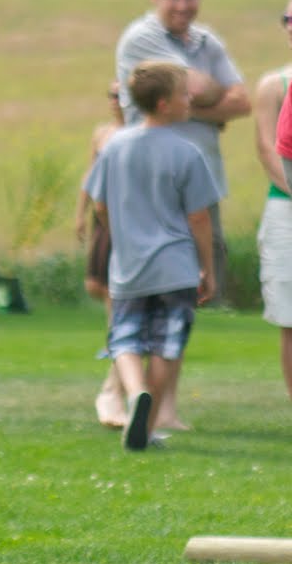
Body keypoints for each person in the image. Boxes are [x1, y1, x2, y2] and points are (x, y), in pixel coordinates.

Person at [85, 61, 218, 451]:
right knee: (166, 346)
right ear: (163, 104)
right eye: (183, 93)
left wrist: (121, 232)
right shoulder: (187, 152)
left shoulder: (115, 147)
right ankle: (147, 423)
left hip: (128, 269)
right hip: (175, 268)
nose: (189, 98)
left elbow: (100, 205)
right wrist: (206, 266)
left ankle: (134, 392)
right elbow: (199, 217)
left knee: (124, 338)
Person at [115, 0, 250, 310]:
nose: (182, 5)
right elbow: (200, 85)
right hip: (154, 182)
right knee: (158, 286)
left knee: (209, 273)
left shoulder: (208, 42)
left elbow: (242, 102)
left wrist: (184, 103)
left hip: (203, 178)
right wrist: (209, 100)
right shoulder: (140, 40)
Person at [74, 80, 126, 428]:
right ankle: (115, 337)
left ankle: (115, 340)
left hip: (123, 213)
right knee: (96, 284)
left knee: (112, 286)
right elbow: (90, 174)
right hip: (101, 214)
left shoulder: (135, 132)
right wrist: (80, 212)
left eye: (120, 95)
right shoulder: (102, 133)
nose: (114, 101)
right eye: (110, 94)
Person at [254, 0, 292, 403]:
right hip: (286, 207)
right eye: (289, 19)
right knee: (291, 315)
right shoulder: (274, 85)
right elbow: (268, 149)